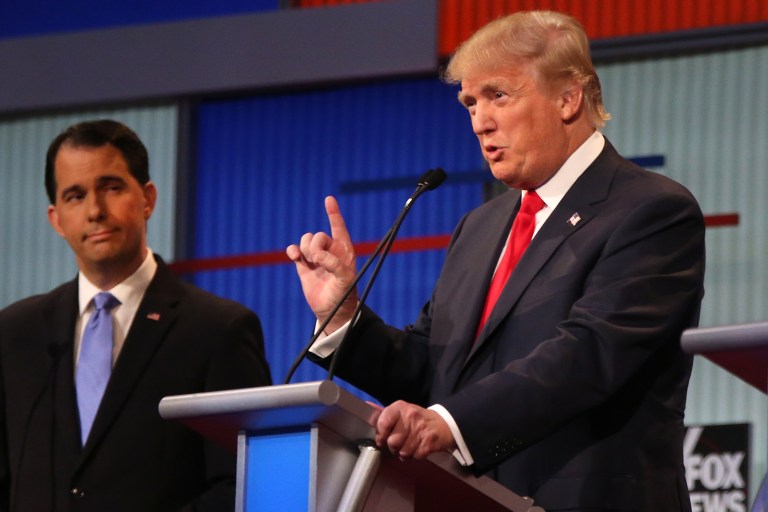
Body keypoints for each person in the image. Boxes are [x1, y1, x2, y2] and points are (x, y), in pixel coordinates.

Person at [286, 10, 705, 512]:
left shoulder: (650, 210)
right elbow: (432, 368)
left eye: (498, 96)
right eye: (469, 102)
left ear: (569, 97)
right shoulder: (480, 227)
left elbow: (587, 355)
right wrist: (346, 315)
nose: (480, 121)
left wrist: (448, 424)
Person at [0, 119, 272, 511]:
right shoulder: (15, 334)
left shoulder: (217, 330)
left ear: (147, 198)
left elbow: (244, 487)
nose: (95, 210)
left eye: (111, 188)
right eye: (75, 196)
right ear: (56, 219)